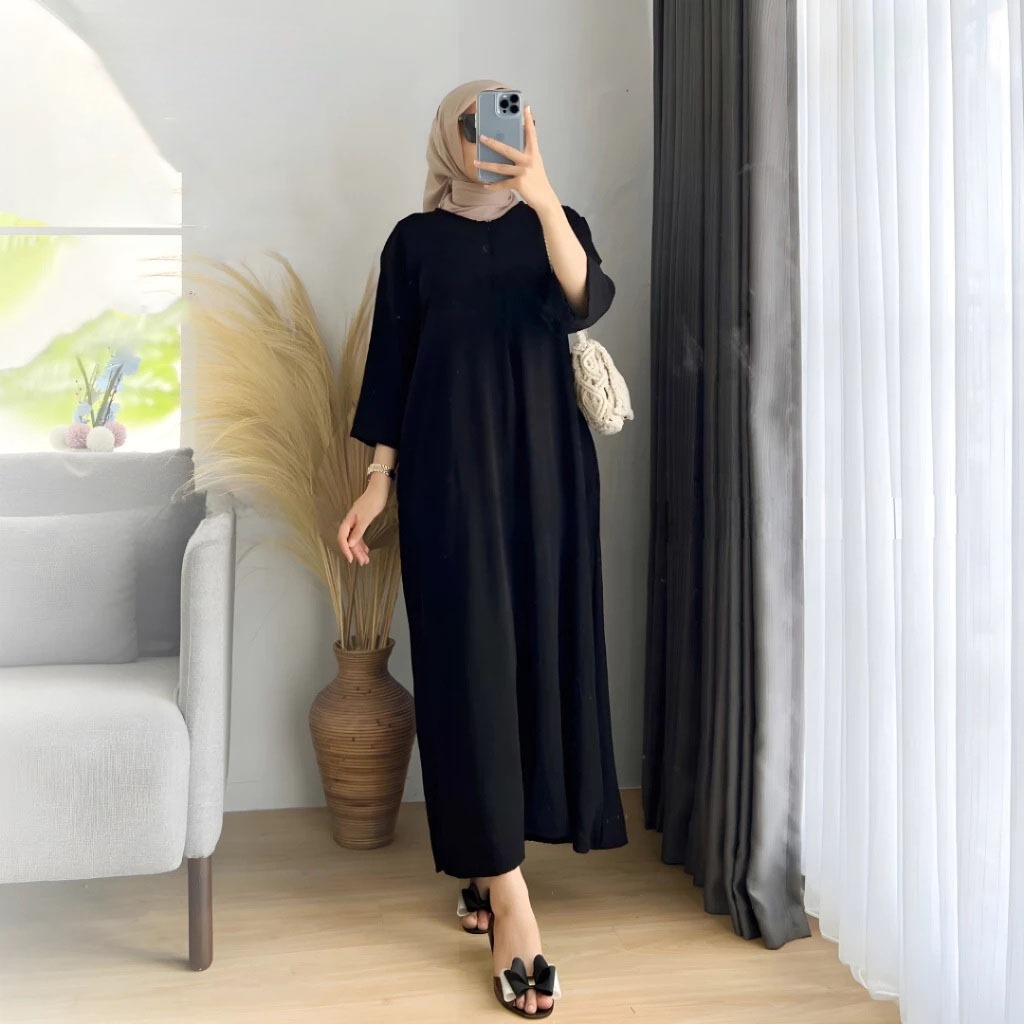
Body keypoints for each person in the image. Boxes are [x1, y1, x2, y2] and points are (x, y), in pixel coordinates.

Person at [337, 78, 627, 1018]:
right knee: (469, 674)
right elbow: (393, 365)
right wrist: (377, 480)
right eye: (471, 122)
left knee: (535, 662)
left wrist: (541, 194)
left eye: (506, 118)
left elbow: (584, 299)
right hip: (447, 486)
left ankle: (485, 862)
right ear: (446, 137)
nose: (488, 136)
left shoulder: (558, 223)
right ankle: (512, 902)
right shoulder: (413, 242)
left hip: (548, 483)